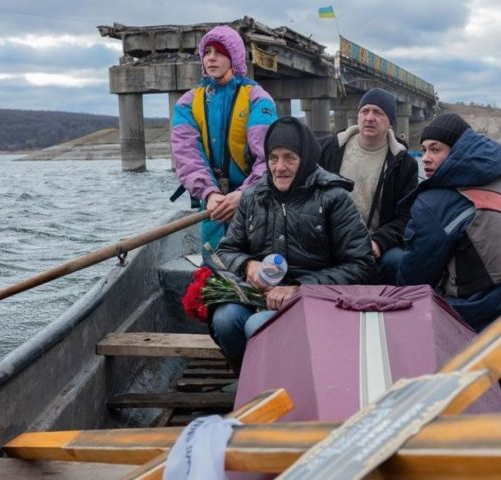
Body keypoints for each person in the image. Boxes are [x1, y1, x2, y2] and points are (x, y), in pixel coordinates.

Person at [213, 116, 375, 370]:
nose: (279, 167)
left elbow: (361, 264)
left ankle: (288, 383)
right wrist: (248, 265)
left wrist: (299, 288)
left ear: (306, 159)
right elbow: (226, 249)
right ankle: (249, 377)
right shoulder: (253, 197)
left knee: (260, 326)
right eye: (273, 158)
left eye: (290, 157)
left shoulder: (334, 198)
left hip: (317, 301)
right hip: (262, 297)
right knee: (225, 319)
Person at [397, 113, 501, 332]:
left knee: (395, 269)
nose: (425, 157)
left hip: (493, 310)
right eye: (424, 149)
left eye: (436, 150)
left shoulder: (435, 203)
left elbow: (414, 278)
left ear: (457, 151)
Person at [171, 25, 277, 263]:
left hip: (253, 201)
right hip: (212, 204)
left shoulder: (258, 99)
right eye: (207, 52)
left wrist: (244, 195)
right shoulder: (187, 104)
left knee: (254, 269)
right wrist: (209, 194)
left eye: (219, 52)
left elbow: (269, 159)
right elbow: (187, 155)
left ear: (234, 57)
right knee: (214, 268)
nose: (211, 58)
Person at [318, 88, 418, 284]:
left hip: (373, 245)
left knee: (398, 260)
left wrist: (379, 242)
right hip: (329, 242)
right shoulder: (330, 149)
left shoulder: (404, 164)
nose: (369, 118)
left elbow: (406, 216)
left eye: (378, 113)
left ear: (390, 122)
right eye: (365, 111)